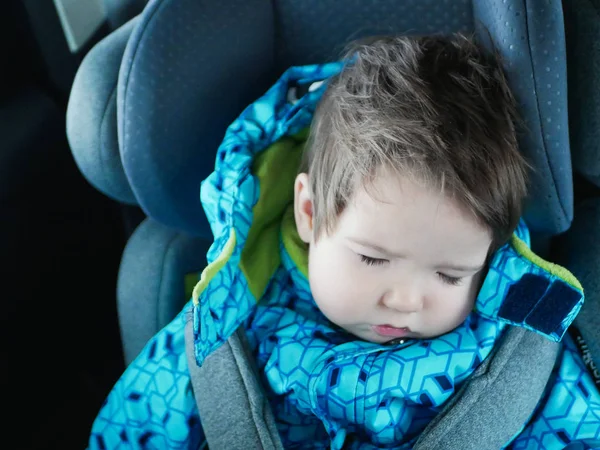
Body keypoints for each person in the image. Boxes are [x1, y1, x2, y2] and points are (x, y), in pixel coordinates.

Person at [88, 34, 598, 449]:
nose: (404, 300)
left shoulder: (510, 349)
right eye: (373, 258)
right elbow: (138, 426)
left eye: (450, 274)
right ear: (309, 213)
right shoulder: (230, 327)